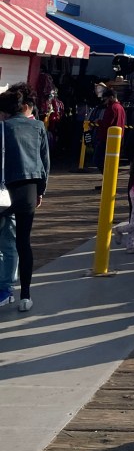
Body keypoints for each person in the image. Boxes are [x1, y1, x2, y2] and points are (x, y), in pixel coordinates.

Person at [0, 86, 49, 312]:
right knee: (23, 242)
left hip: (4, 189)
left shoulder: (3, 127)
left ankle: (5, 289)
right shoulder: (38, 126)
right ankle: (26, 296)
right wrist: (40, 191)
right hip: (29, 189)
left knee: (4, 240)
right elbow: (45, 163)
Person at [93, 88, 126, 180]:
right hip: (117, 138)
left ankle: (108, 179)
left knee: (98, 159)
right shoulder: (121, 108)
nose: (104, 101)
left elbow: (107, 123)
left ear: (111, 97)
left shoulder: (112, 108)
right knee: (110, 162)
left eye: (106, 99)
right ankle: (108, 180)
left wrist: (98, 121)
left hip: (107, 138)